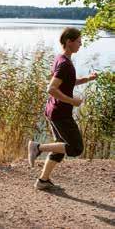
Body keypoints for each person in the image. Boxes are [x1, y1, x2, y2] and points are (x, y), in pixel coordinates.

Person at [28, 27, 97, 189]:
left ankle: (43, 181)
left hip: (54, 110)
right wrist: (72, 101)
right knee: (75, 148)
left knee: (60, 146)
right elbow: (51, 88)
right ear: (69, 42)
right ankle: (38, 147)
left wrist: (87, 79)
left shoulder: (61, 59)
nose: (81, 44)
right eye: (78, 41)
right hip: (60, 113)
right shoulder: (65, 64)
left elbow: (65, 82)